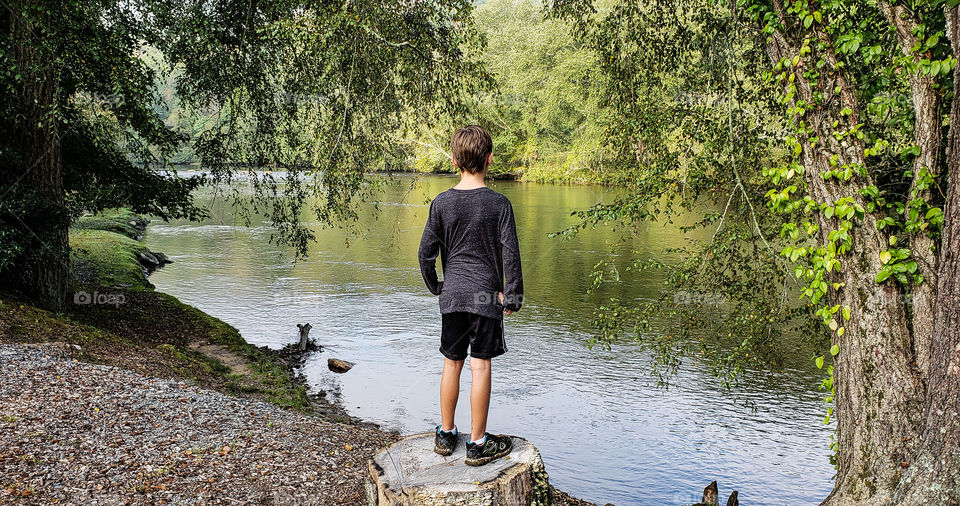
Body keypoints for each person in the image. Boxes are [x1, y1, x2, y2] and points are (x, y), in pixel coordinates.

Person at [418, 125, 523, 466]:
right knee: (480, 366)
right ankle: (478, 443)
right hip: (485, 300)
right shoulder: (499, 204)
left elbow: (425, 253)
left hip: (454, 297)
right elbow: (510, 253)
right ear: (490, 160)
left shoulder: (442, 203)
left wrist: (437, 286)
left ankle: (446, 434)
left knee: (451, 363)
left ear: (454, 160)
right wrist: (513, 294)